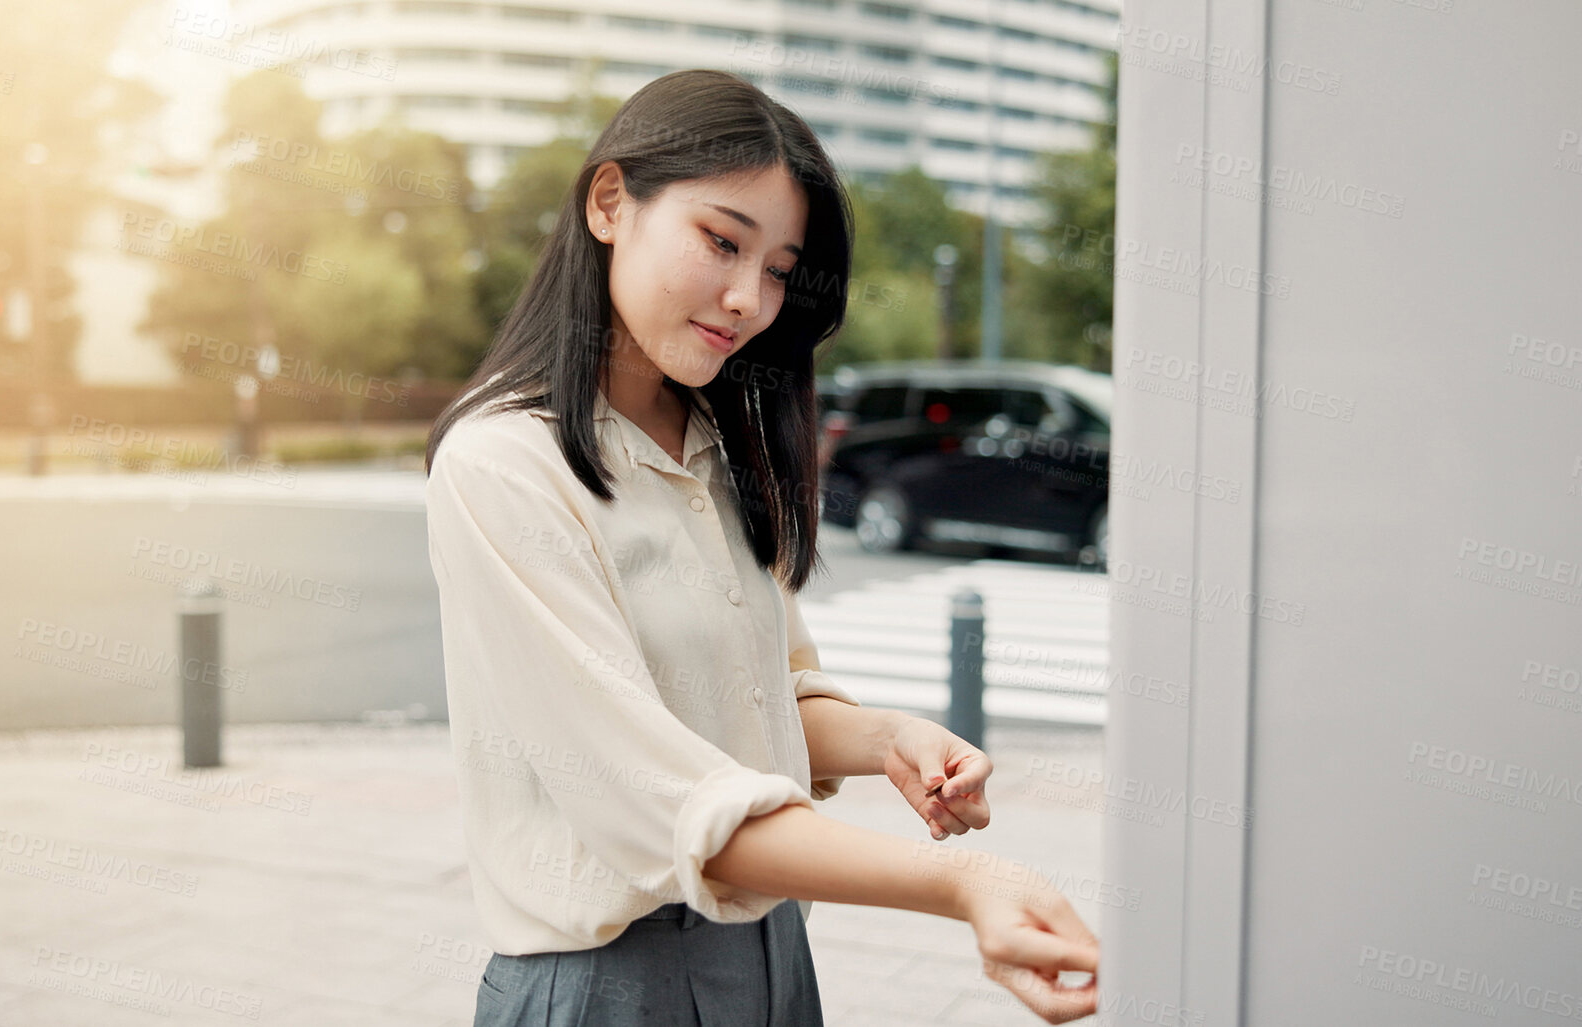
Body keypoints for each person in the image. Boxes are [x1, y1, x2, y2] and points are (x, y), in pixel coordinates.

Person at [424, 69, 1099, 1026]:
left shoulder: (717, 443)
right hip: (607, 983)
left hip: (775, 957)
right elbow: (657, 795)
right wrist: (962, 884)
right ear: (610, 204)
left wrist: (888, 738)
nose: (748, 298)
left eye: (779, 269)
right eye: (720, 241)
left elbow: (761, 693)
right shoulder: (504, 465)